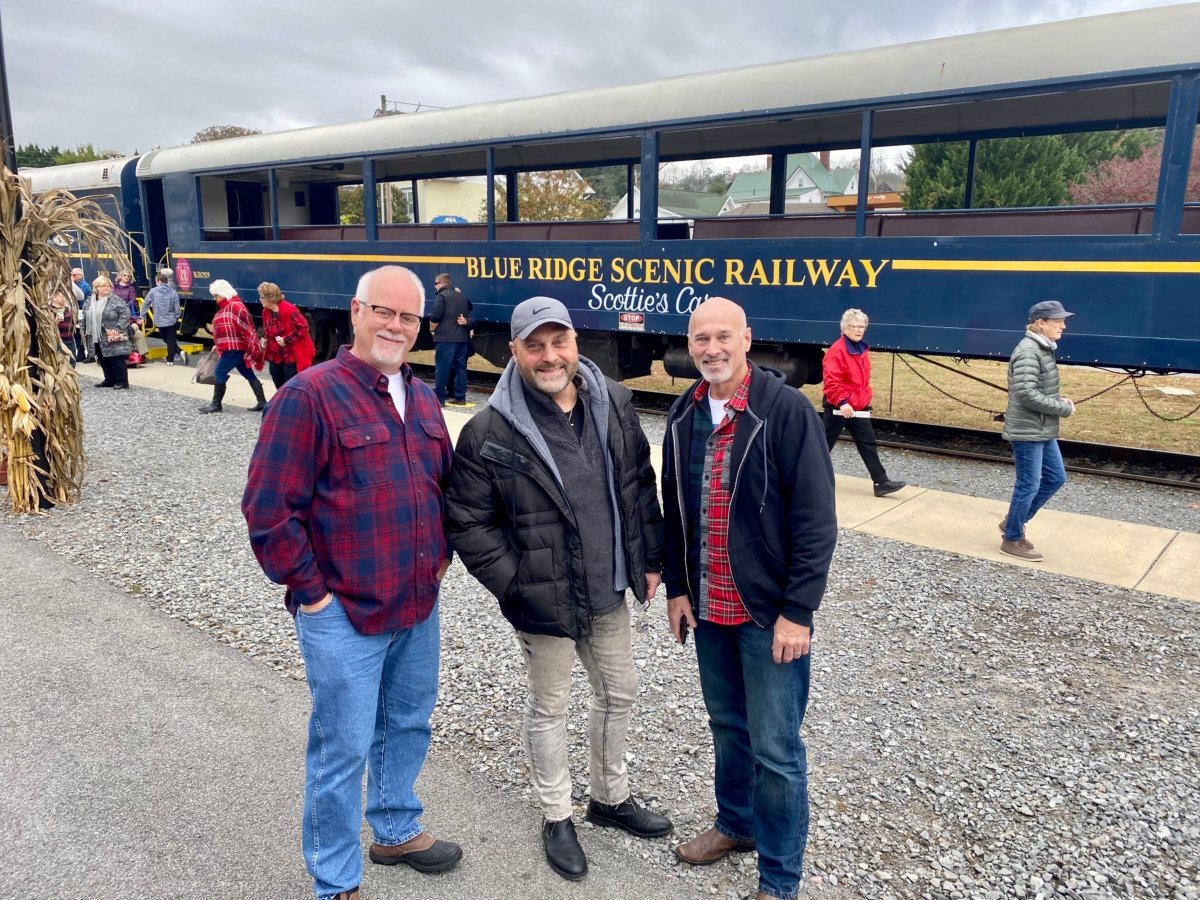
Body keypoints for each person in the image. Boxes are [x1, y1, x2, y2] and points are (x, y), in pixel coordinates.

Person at [242, 266, 462, 900]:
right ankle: (335, 880)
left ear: (421, 326)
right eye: (384, 312)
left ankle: (395, 828)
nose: (396, 325)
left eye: (409, 318)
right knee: (342, 749)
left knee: (408, 722)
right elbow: (268, 508)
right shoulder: (308, 396)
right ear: (357, 312)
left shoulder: (421, 397)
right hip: (343, 612)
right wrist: (311, 592)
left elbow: (441, 486)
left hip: (417, 603)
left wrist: (441, 555)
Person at [445, 296, 671, 882]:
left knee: (619, 693)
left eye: (559, 343)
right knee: (550, 708)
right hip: (543, 595)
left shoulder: (613, 401)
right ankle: (556, 814)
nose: (550, 357)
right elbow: (468, 522)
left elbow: (638, 482)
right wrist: (516, 585)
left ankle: (608, 797)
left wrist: (650, 555)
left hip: (609, 587)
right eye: (535, 345)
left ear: (576, 343)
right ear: (514, 352)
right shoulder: (489, 430)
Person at [661, 297, 837, 900]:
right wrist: (678, 589)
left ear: (747, 339)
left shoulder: (785, 412)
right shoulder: (683, 415)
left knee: (777, 747)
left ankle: (780, 878)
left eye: (722, 337)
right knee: (727, 726)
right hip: (708, 607)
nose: (711, 349)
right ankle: (735, 825)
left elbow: (816, 521)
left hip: (768, 614)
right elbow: (675, 514)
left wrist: (798, 611)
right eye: (700, 339)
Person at [999, 300, 1076, 562]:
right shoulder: (1029, 351)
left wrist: (1058, 398)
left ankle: (1013, 521)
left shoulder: (1042, 348)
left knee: (1056, 478)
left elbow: (1036, 388)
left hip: (1041, 428)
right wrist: (1061, 408)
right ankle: (1011, 538)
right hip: (1028, 430)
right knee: (1028, 485)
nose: (1063, 326)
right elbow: (1026, 393)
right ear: (1040, 323)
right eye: (1058, 321)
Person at [821, 308, 905, 497]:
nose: (859, 330)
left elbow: (860, 381)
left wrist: (863, 400)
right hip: (839, 407)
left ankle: (881, 482)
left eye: (862, 326)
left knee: (867, 443)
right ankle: (805, 481)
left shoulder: (860, 349)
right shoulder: (837, 351)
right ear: (844, 328)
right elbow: (832, 380)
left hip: (857, 407)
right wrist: (842, 403)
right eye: (854, 326)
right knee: (822, 446)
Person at [199, 279, 267, 413]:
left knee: (219, 371)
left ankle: (216, 404)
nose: (215, 299)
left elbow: (246, 328)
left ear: (223, 293)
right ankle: (262, 401)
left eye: (216, 295)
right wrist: (217, 344)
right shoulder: (231, 306)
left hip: (234, 349)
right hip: (233, 348)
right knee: (247, 373)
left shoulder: (235, 306)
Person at [428, 273, 474, 408]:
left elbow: (435, 316)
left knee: (442, 368)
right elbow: (469, 313)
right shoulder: (462, 297)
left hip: (446, 339)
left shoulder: (441, 296)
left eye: (436, 284)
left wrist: (432, 329)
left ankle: (439, 398)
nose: (435, 286)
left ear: (442, 283)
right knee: (460, 369)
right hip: (462, 339)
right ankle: (460, 397)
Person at [258, 281, 316, 388]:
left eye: (262, 297)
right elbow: (269, 330)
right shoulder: (266, 312)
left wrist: (286, 340)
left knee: (291, 386)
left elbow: (304, 327)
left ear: (270, 298)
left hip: (289, 357)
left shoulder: (289, 310)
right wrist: (265, 340)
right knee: (278, 383)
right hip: (275, 356)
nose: (260, 300)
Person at [84, 275, 132, 389]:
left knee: (116, 358)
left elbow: (125, 314)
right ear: (96, 288)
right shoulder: (89, 301)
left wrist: (117, 328)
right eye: (103, 286)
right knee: (102, 358)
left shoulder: (115, 300)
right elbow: (85, 315)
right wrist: (83, 327)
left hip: (113, 334)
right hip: (96, 335)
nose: (106, 288)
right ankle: (109, 379)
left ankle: (122, 381)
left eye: (108, 286)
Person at [142, 273, 185, 365]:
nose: (156, 283)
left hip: (159, 321)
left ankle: (171, 358)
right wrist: (177, 317)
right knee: (171, 340)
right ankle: (178, 354)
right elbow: (177, 308)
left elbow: (145, 303)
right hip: (171, 320)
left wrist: (143, 315)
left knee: (167, 339)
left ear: (159, 281)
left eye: (156, 281)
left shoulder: (153, 291)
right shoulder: (174, 293)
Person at [50, 290, 77, 367]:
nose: (65, 298)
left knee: (72, 363)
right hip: (59, 342)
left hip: (70, 340)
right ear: (54, 298)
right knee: (61, 364)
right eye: (62, 296)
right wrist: (55, 324)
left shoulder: (67, 309)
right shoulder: (50, 311)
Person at [71, 268, 92, 362]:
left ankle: (90, 354)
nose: (72, 277)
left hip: (83, 311)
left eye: (74, 275)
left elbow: (80, 296)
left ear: (80, 275)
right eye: (71, 274)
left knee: (85, 333)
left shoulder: (85, 285)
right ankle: (80, 353)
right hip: (74, 311)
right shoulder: (72, 284)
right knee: (76, 334)